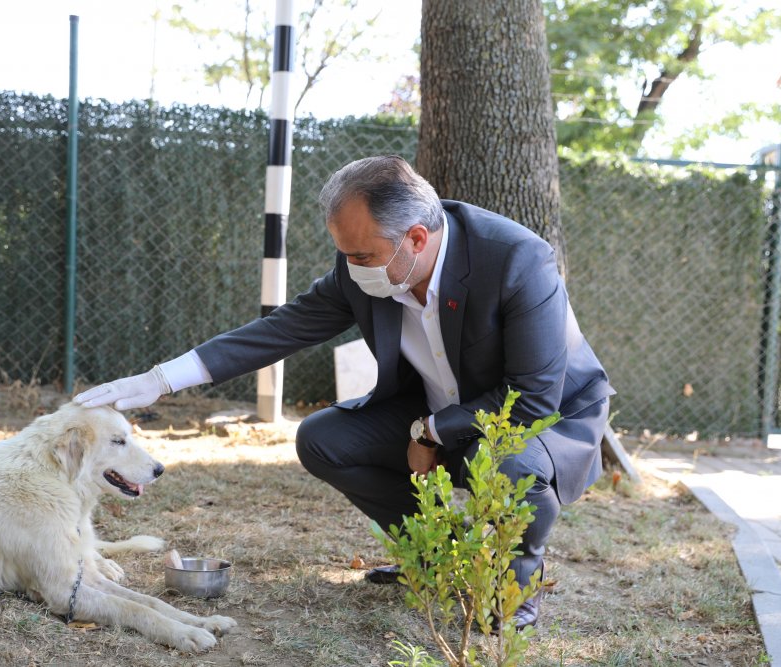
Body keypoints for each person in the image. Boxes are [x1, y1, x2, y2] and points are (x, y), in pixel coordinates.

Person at [75, 155, 614, 628]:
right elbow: (282, 328)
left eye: (361, 255)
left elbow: (531, 398)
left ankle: (511, 590)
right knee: (323, 438)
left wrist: (431, 432)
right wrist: (161, 380)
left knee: (511, 464)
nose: (352, 267)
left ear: (417, 239)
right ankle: (434, 559)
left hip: (539, 421)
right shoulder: (365, 265)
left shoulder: (518, 259)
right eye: (346, 254)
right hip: (433, 407)